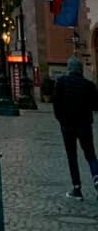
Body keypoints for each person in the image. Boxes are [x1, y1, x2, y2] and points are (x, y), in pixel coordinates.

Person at [53, 55, 98, 199]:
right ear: (80, 70)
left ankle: (76, 187)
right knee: (90, 154)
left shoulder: (61, 82)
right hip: (84, 124)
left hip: (67, 125)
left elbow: (56, 103)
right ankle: (96, 177)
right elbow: (95, 105)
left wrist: (61, 119)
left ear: (69, 68)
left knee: (71, 155)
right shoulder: (88, 85)